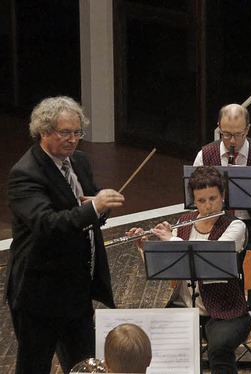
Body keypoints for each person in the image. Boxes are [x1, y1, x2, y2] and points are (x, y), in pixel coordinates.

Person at [6, 96, 125, 373]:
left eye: (77, 133)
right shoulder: (25, 174)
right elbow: (47, 224)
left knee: (86, 365)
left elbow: (88, 204)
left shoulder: (79, 161)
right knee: (34, 366)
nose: (73, 140)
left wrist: (100, 207)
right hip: (39, 295)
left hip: (75, 291)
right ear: (44, 132)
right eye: (65, 133)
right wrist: (95, 207)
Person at [128, 166, 250, 374]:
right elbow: (169, 266)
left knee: (219, 347)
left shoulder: (235, 227)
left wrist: (171, 240)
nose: (208, 206)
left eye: (213, 198)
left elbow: (211, 259)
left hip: (225, 310)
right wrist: (145, 247)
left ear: (223, 197)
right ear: (194, 200)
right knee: (157, 338)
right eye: (201, 201)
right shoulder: (184, 223)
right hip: (183, 306)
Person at [193, 103, 251, 316]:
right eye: (226, 135)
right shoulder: (205, 154)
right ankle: (218, 308)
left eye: (238, 135)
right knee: (210, 251)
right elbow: (192, 195)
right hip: (217, 220)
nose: (231, 141)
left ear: (247, 130)